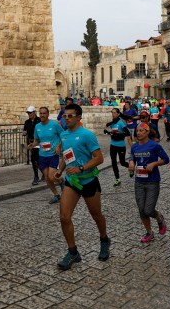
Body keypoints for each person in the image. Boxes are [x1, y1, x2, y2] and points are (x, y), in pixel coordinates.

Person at [56, 104, 109, 270]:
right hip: (72, 182)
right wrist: (60, 170)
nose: (67, 118)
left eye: (70, 116)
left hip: (88, 181)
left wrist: (81, 168)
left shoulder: (87, 135)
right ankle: (73, 252)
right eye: (65, 116)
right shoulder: (63, 135)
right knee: (64, 217)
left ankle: (104, 240)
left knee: (96, 215)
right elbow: (67, 155)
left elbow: (99, 158)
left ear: (79, 117)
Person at [128, 123, 169, 244]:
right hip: (139, 181)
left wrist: (154, 164)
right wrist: (131, 163)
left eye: (141, 131)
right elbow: (132, 158)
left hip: (152, 181)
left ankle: (159, 217)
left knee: (149, 210)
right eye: (137, 131)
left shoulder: (154, 145)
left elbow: (166, 159)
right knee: (141, 210)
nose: (138, 133)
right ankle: (149, 233)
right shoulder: (134, 147)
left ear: (147, 132)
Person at [28, 107, 64, 204]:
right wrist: (32, 145)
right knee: (47, 178)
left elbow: (63, 135)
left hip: (53, 154)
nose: (42, 115)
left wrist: (59, 146)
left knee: (52, 177)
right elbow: (37, 140)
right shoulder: (37, 126)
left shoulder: (54, 124)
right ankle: (56, 195)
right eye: (41, 113)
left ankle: (61, 181)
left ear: (48, 114)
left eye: (44, 113)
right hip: (42, 155)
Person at [104, 108, 131, 187]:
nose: (113, 114)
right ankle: (117, 179)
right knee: (113, 162)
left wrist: (118, 135)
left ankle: (131, 167)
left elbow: (127, 133)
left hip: (121, 145)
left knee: (122, 162)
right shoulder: (112, 123)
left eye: (115, 112)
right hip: (113, 145)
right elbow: (112, 132)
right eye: (112, 112)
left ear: (118, 114)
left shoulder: (121, 123)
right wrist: (107, 132)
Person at [23, 106, 42, 185]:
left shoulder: (39, 121)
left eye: (30, 113)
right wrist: (24, 133)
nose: (29, 114)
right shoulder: (27, 122)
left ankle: (44, 173)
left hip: (39, 143)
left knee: (39, 160)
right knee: (34, 159)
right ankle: (36, 176)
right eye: (28, 113)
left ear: (34, 112)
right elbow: (25, 130)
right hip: (31, 143)